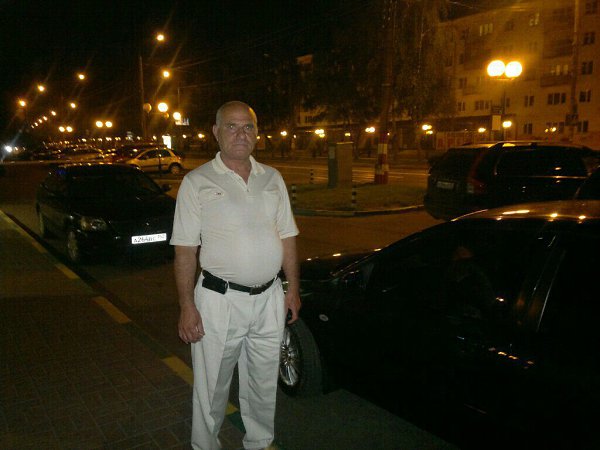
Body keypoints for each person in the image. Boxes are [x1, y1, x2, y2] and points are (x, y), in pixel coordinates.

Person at [170, 101, 301, 450]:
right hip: (219, 300)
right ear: (216, 132)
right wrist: (187, 306)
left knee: (262, 382)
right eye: (231, 126)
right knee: (212, 387)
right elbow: (185, 251)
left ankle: (259, 442)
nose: (240, 134)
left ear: (257, 133)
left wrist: (291, 288)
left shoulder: (272, 178)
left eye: (248, 127)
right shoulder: (196, 182)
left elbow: (287, 236)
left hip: (269, 298)